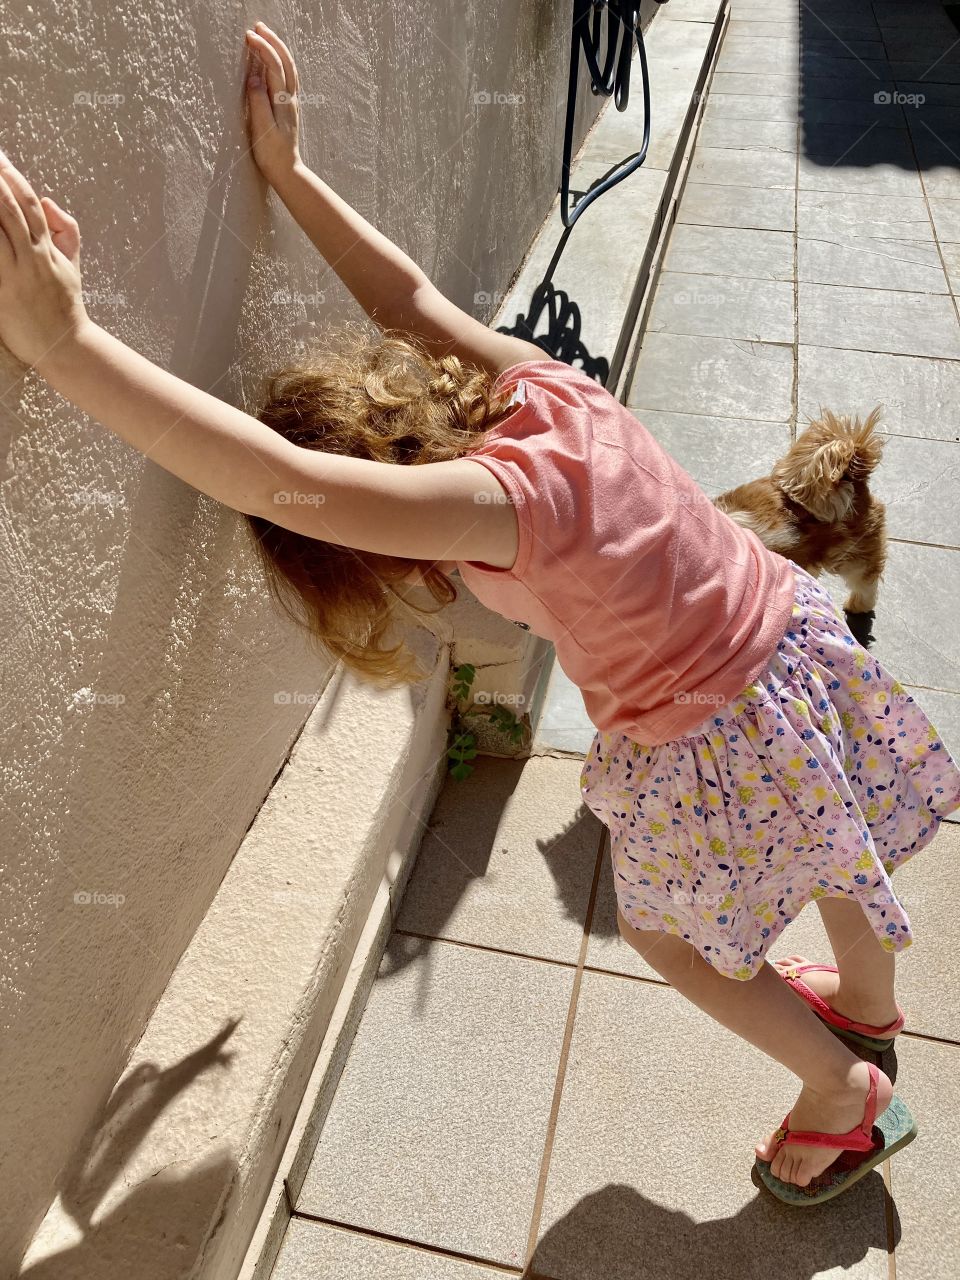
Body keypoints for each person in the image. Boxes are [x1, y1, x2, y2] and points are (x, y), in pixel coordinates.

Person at [2, 21, 957, 1206]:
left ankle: (839, 1092)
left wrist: (65, 341)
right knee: (827, 828)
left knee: (669, 936)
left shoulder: (487, 507)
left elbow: (264, 477)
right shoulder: (535, 386)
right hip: (790, 639)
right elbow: (405, 296)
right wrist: (292, 173)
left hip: (712, 722)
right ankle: (867, 1005)